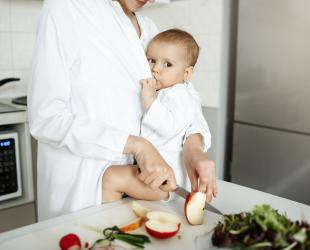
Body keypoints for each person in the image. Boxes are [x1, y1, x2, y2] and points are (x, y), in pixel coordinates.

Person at [28, 0, 217, 221]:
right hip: (84, 194)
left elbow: (182, 97)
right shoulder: (66, 9)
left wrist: (193, 149)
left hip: (139, 199)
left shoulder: (149, 29)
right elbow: (46, 118)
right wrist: (135, 145)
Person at [102, 28, 211, 202]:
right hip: (157, 173)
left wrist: (149, 100)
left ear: (187, 73)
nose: (155, 69)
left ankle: (105, 221)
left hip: (165, 179)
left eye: (167, 64)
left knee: (111, 177)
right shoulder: (169, 90)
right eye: (151, 60)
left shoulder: (180, 94)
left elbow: (169, 127)